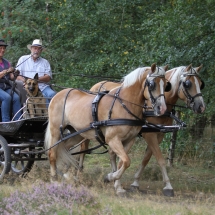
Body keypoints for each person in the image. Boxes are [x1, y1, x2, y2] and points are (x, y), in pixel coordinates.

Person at [16, 39, 56, 104]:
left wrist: (36, 80)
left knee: (53, 95)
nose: (36, 51)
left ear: (41, 51)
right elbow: (17, 75)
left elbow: (48, 77)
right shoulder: (23, 59)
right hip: (29, 87)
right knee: (43, 98)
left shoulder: (45, 62)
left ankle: (54, 113)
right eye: (35, 48)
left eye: (39, 49)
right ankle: (46, 113)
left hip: (43, 87)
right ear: (31, 49)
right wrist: (26, 82)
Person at [0, 39, 22, 122]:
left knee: (16, 97)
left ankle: (18, 121)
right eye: (0, 48)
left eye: (3, 48)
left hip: (6, 86)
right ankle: (6, 122)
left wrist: (15, 74)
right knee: (7, 98)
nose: (2, 50)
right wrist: (6, 71)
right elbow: (6, 73)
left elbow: (11, 77)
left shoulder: (7, 62)